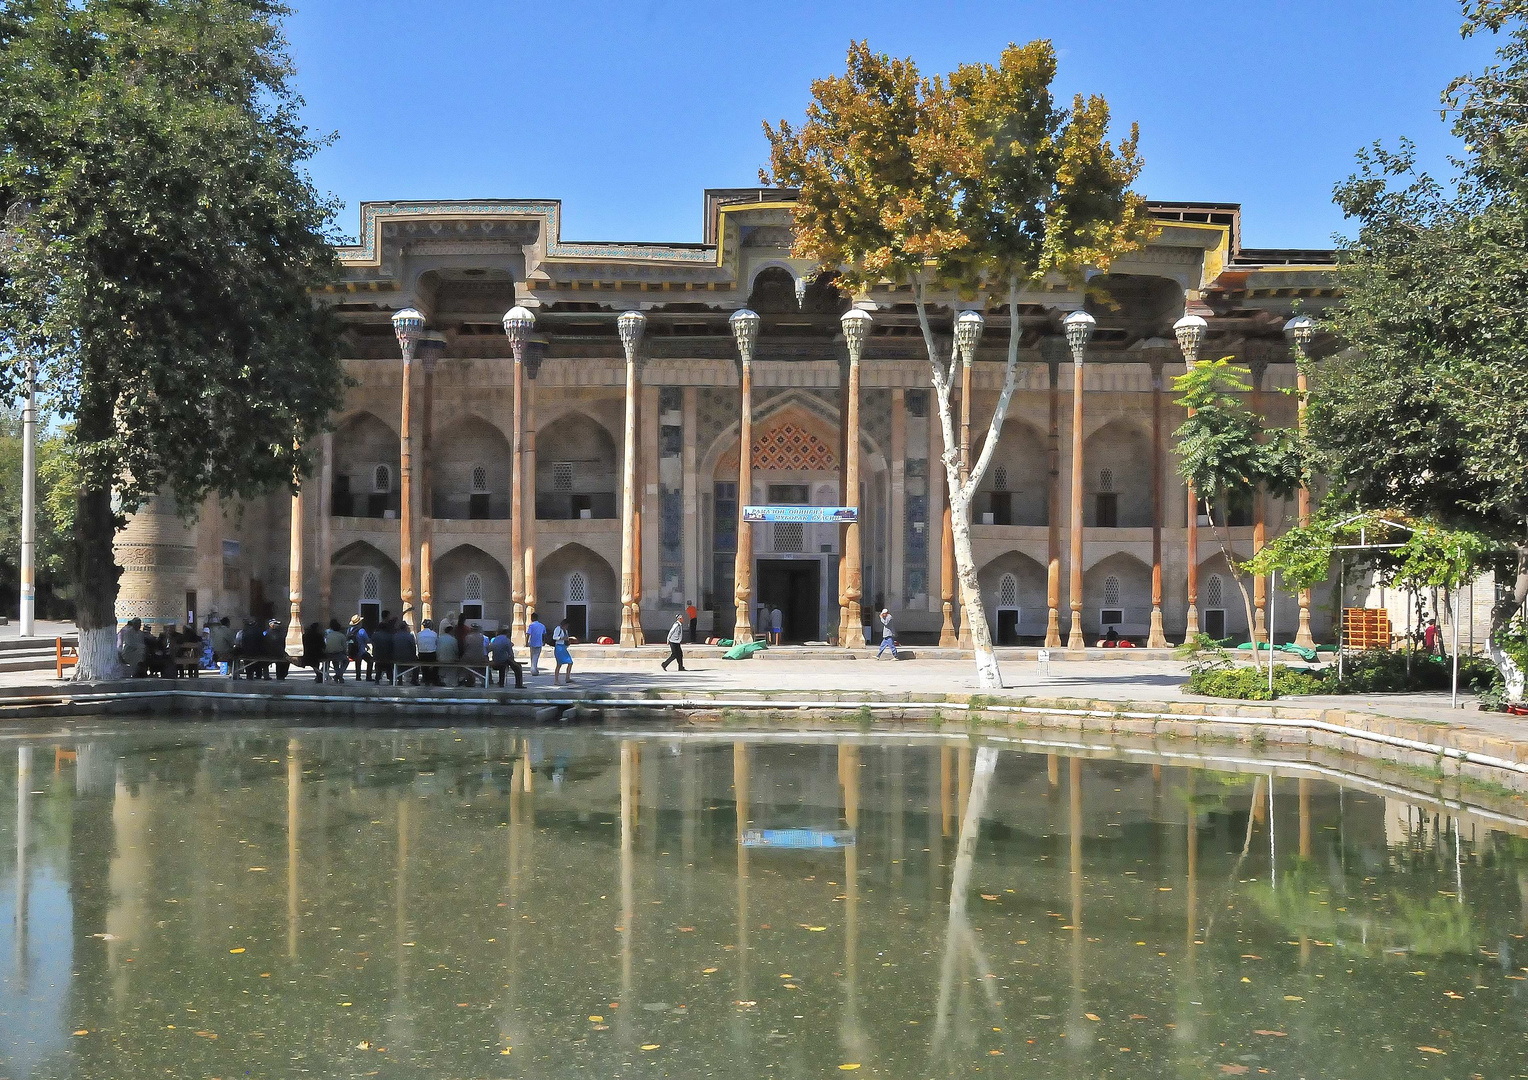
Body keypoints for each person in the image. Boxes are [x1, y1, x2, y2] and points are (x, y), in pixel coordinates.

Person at [462, 622, 487, 687]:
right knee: (479, 668)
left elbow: (465, 647)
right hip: (480, 657)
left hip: (469, 658)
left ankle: (469, 680)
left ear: (471, 629)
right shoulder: (481, 637)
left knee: (464, 664)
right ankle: (483, 680)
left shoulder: (468, 637)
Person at [347, 615, 371, 682]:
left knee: (358, 662)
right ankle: (368, 677)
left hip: (353, 650)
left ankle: (358, 677)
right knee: (370, 661)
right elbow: (367, 639)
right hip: (361, 651)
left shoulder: (349, 630)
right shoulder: (361, 630)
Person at [395, 618, 419, 685]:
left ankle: (399, 680)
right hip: (408, 658)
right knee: (417, 663)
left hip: (397, 658)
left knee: (398, 664)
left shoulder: (395, 636)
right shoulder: (410, 636)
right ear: (406, 628)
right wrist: (414, 655)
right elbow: (413, 647)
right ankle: (414, 680)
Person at [417, 618, 439, 685]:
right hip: (432, 654)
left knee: (424, 666)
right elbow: (437, 644)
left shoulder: (419, 634)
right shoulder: (434, 634)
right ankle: (433, 678)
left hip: (421, 654)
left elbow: (418, 644)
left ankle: (425, 678)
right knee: (435, 664)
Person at [553, 618, 575, 685]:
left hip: (564, 647)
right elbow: (554, 637)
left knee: (570, 662)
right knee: (559, 664)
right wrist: (562, 638)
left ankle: (567, 678)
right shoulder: (558, 629)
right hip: (559, 647)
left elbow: (566, 638)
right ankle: (556, 680)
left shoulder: (565, 631)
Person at [526, 612, 546, 676]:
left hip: (532, 642)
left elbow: (528, 634)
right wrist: (544, 641)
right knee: (536, 656)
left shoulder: (531, 625)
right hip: (539, 643)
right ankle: (534, 669)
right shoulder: (542, 625)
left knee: (532, 656)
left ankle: (533, 669)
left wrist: (526, 642)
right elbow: (544, 634)